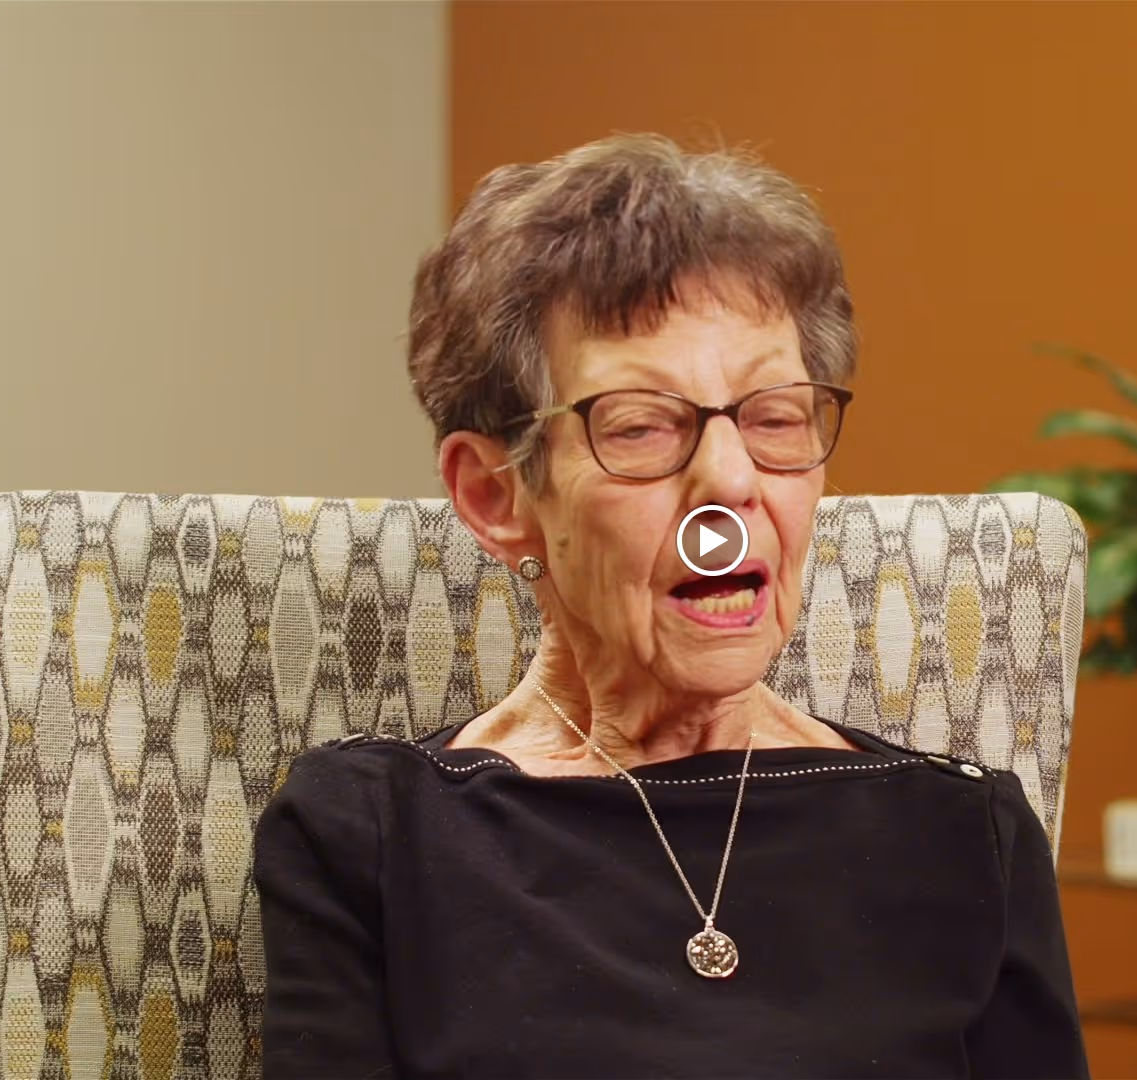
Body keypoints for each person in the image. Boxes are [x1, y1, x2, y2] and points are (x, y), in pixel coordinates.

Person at [254, 133, 1089, 1078]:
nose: (729, 484)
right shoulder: (373, 835)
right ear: (497, 495)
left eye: (775, 418)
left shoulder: (963, 834)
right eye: (643, 427)